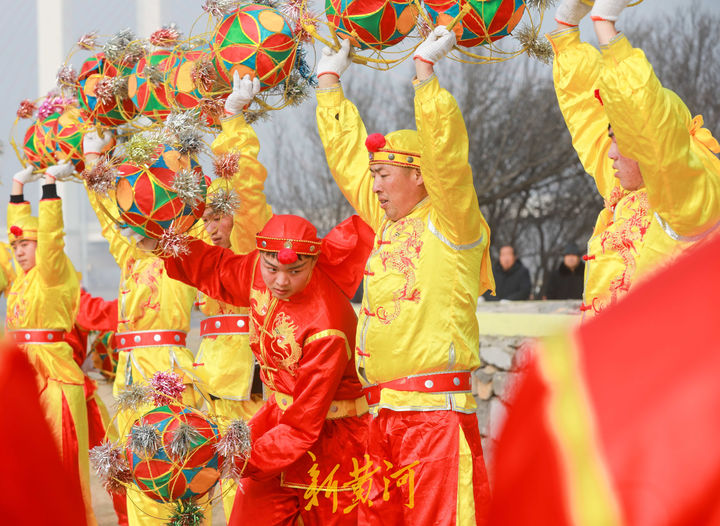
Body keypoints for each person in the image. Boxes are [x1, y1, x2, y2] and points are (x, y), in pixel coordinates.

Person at [316, 28, 494, 524]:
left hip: (434, 418)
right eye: (374, 176)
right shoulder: (387, 224)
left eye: (384, 175)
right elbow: (349, 163)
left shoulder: (453, 223)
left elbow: (450, 165)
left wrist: (424, 78)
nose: (373, 185)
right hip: (382, 415)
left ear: (419, 175)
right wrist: (329, 85)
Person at [158, 213, 373, 525]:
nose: (280, 281)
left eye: (295, 271)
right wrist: (164, 243)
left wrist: (233, 457)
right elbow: (217, 268)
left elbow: (303, 423)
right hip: (279, 422)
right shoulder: (257, 273)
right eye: (272, 269)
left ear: (313, 263)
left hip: (331, 441)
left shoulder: (327, 326)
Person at [550, 0, 720, 320]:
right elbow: (586, 113)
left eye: (621, 139)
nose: (610, 151)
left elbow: (652, 128)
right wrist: (567, 27)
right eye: (613, 137)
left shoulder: (689, 191)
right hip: (610, 360)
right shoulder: (625, 181)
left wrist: (607, 30)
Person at [82, 134, 202, 526]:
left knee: (172, 468)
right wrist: (92, 158)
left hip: (167, 371)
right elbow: (105, 215)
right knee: (138, 471)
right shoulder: (130, 252)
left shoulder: (183, 248)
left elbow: (195, 202)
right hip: (130, 373)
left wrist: (183, 146)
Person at [192, 72, 273, 519]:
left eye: (219, 219)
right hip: (212, 383)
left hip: (253, 383)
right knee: (213, 490)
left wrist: (233, 120)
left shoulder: (248, 242)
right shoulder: (205, 258)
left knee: (255, 487)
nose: (212, 228)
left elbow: (244, 190)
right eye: (205, 220)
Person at [6, 162, 97, 526]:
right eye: (14, 245)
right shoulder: (20, 280)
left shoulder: (52, 271)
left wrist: (49, 185)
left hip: (56, 381)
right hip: (27, 379)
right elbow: (18, 225)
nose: (19, 251)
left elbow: (52, 234)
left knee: (61, 465)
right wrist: (16, 188)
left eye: (26, 244)